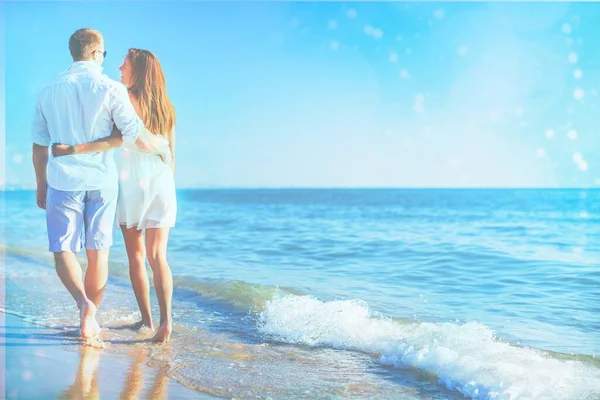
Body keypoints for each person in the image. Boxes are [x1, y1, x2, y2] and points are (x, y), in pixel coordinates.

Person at [53, 48, 177, 343]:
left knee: (136, 256)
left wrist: (73, 149)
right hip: (162, 182)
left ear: (139, 70)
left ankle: (146, 321)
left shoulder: (123, 97)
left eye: (125, 64)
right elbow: (172, 156)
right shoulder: (169, 109)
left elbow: (112, 141)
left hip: (133, 183)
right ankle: (165, 323)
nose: (120, 68)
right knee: (159, 256)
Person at [32, 28, 143, 341]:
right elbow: (131, 133)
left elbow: (39, 144)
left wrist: (41, 184)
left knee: (63, 249)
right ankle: (89, 317)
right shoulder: (111, 87)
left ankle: (84, 307)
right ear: (96, 53)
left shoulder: (48, 89)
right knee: (99, 253)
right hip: (102, 179)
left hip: (62, 179)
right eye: (104, 54)